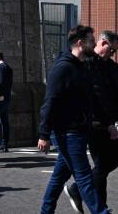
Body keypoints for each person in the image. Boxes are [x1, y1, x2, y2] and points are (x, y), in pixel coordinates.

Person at [38, 25, 108, 214]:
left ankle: (46, 211)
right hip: (67, 131)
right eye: (91, 41)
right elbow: (49, 101)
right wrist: (43, 134)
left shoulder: (82, 66)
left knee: (59, 176)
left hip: (78, 130)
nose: (94, 45)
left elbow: (90, 98)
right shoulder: (63, 68)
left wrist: (105, 122)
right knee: (84, 176)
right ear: (80, 43)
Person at [65, 31, 118, 213]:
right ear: (102, 43)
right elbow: (96, 96)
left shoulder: (107, 64)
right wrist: (108, 123)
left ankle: (90, 199)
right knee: (103, 164)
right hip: (95, 122)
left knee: (108, 164)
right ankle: (87, 197)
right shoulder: (89, 63)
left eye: (115, 52)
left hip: (106, 121)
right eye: (111, 50)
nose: (112, 54)